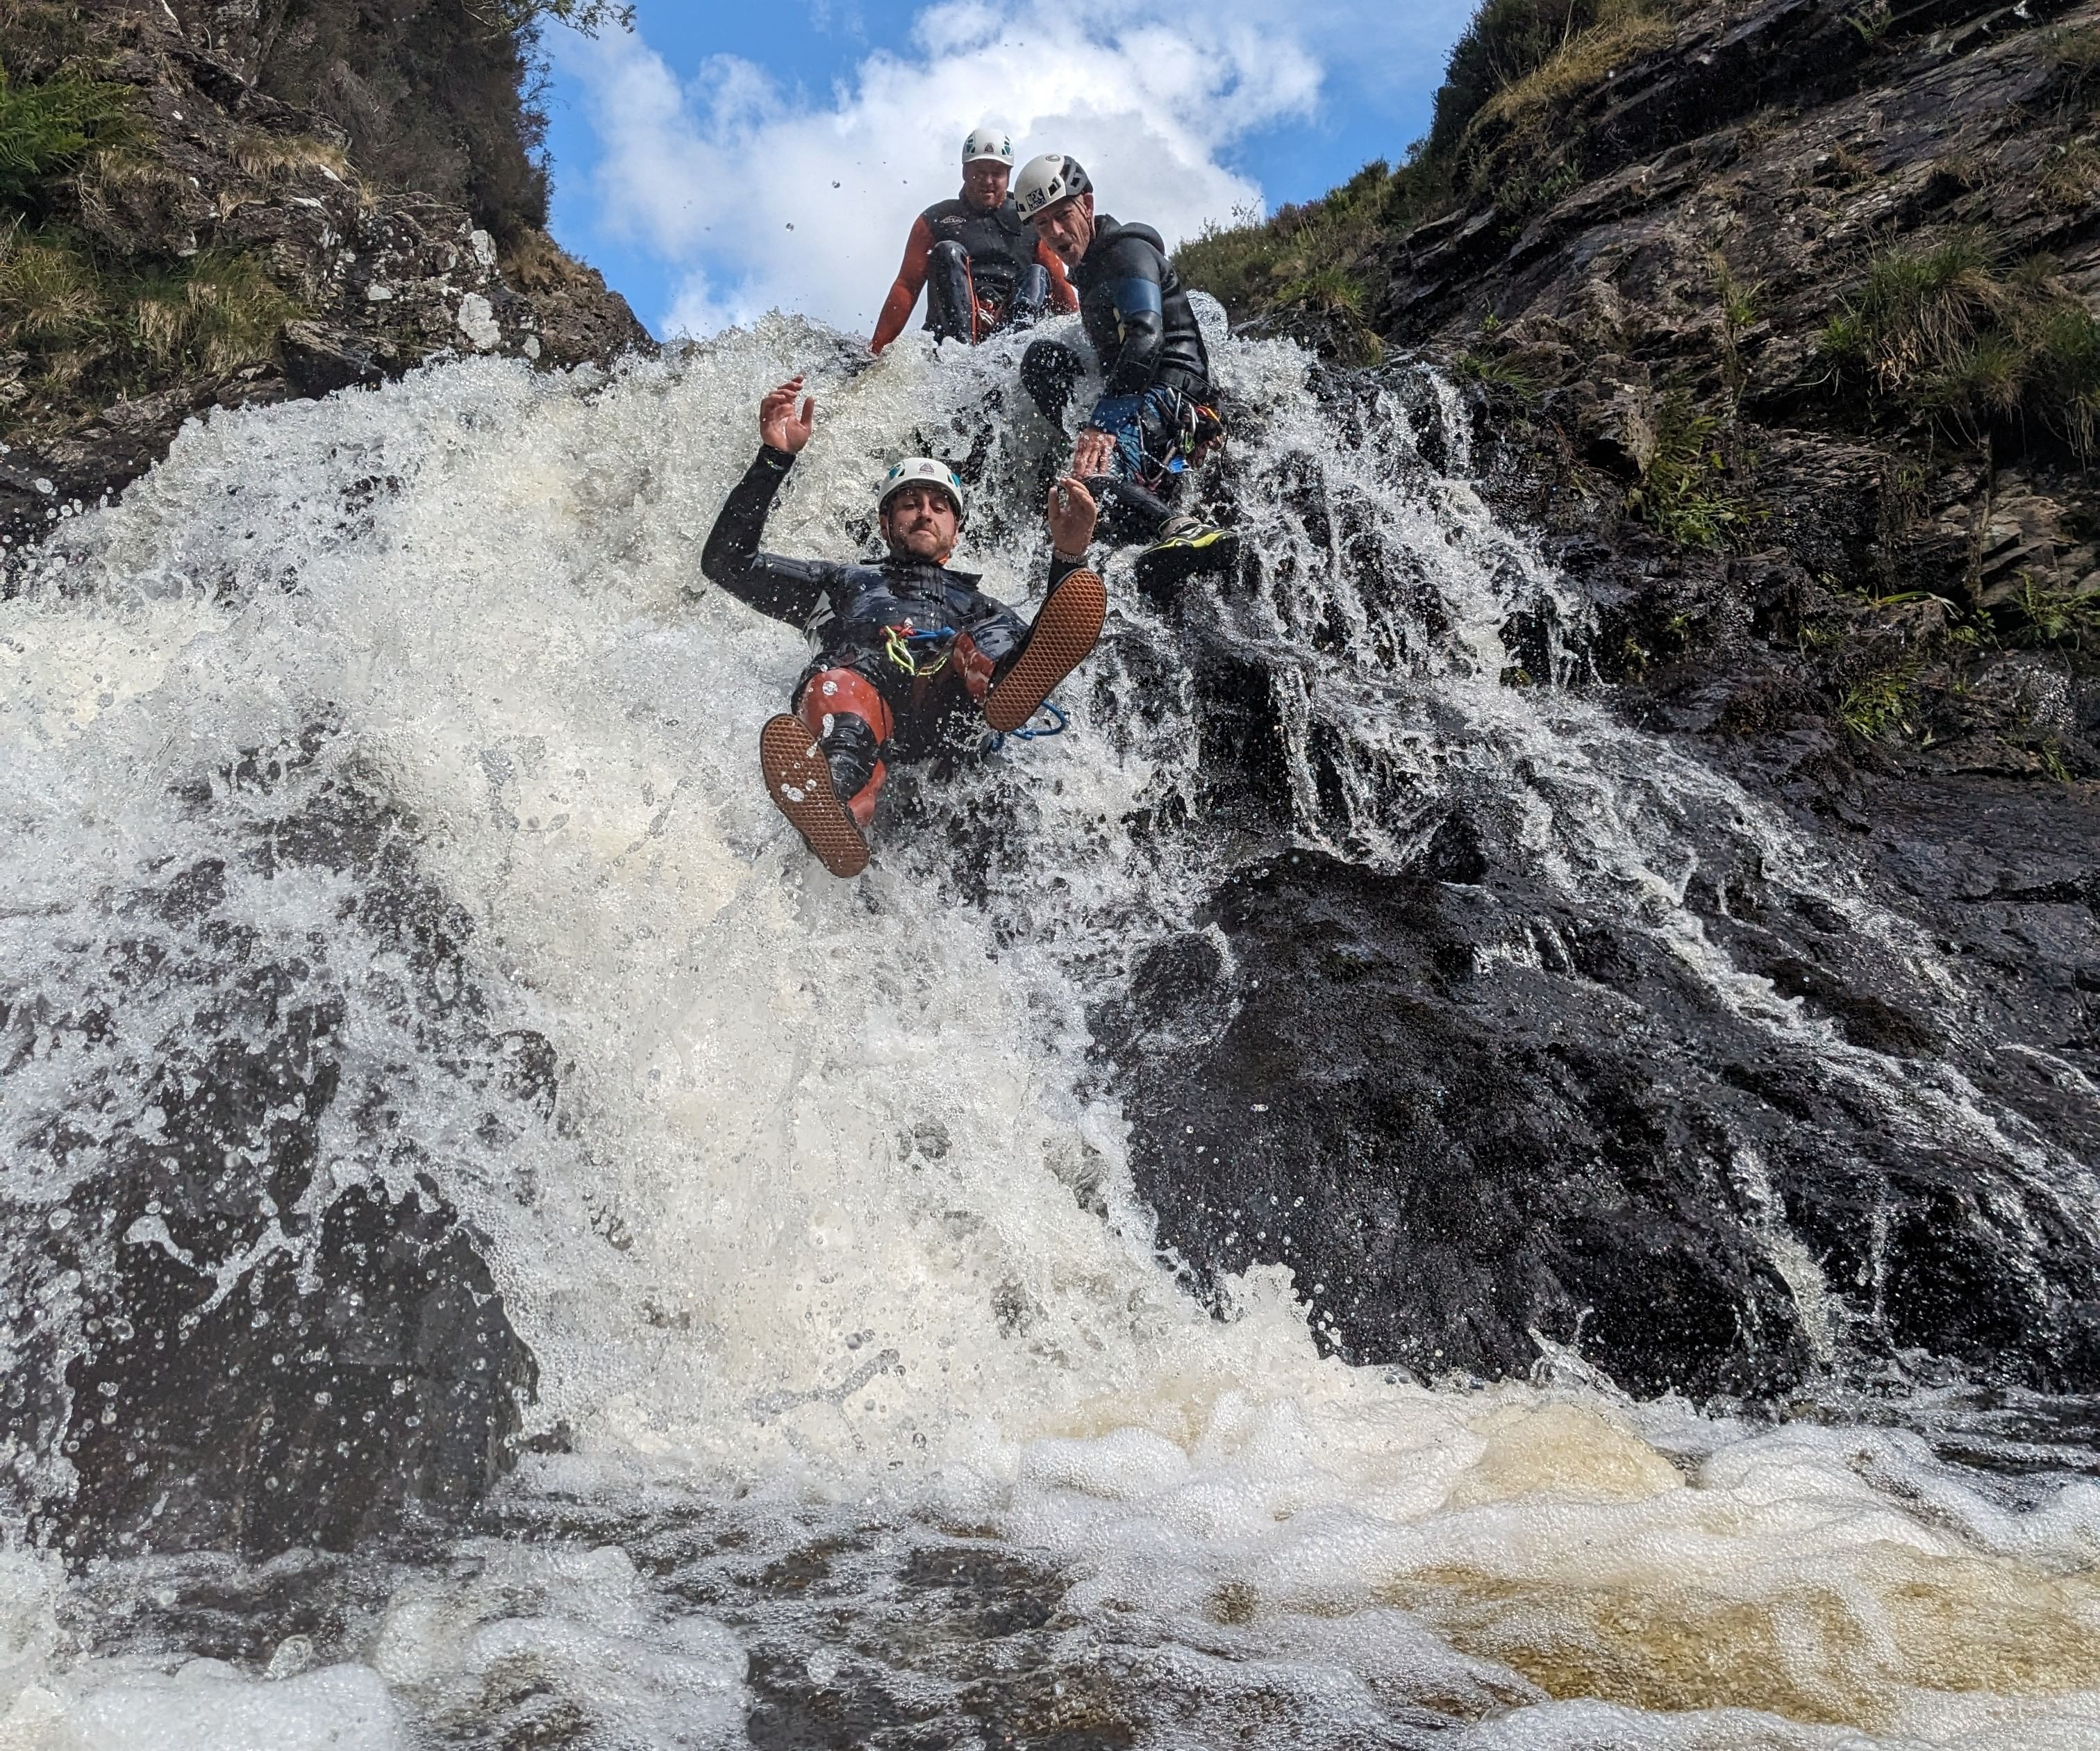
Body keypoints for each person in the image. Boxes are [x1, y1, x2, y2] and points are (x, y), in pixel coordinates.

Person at [701, 375, 1108, 879]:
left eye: (939, 508)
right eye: (910, 503)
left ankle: (1001, 686)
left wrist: (1067, 557)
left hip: (954, 716)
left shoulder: (982, 605)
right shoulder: (841, 581)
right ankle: (837, 804)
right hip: (867, 698)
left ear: (955, 534)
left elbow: (1056, 635)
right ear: (884, 522)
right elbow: (727, 562)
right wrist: (773, 459)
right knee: (841, 690)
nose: (924, 514)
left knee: (991, 644)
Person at [1012, 153, 1235, 590]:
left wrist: (1101, 426)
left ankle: (1179, 528)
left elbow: (1146, 335)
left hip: (1174, 401)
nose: (1055, 233)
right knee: (1040, 360)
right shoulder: (1091, 273)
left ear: (1087, 205)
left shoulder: (1127, 253)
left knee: (1083, 492)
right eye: (1043, 225)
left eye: (1062, 215)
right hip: (1142, 402)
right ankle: (1124, 487)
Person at [869, 125, 1078, 354]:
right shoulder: (935, 219)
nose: (987, 181)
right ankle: (963, 353)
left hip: (1009, 327)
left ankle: (1014, 348)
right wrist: (875, 350)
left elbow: (1059, 287)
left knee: (1038, 272)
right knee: (947, 251)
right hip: (953, 333)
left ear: (1008, 175)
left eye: (997, 173)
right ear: (965, 172)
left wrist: (1079, 339)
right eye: (979, 171)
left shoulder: (1028, 218)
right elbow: (907, 286)